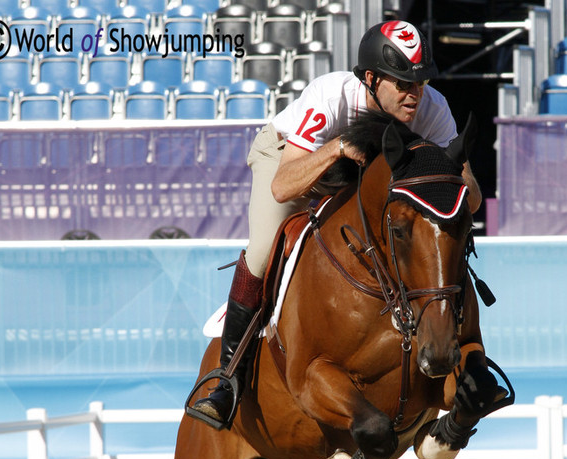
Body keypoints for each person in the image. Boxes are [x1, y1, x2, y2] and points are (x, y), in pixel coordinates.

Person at [190, 20, 482, 429]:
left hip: (355, 185)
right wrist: (337, 148)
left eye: (418, 82)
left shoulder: (432, 110)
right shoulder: (333, 95)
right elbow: (282, 185)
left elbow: (470, 193)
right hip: (292, 162)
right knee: (262, 249)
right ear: (370, 78)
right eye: (401, 83)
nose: (413, 93)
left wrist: (453, 182)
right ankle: (227, 378)